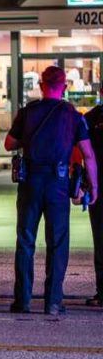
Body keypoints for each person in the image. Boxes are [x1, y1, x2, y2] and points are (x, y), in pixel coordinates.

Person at [4, 65, 98, 316]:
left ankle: (22, 301)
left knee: (25, 240)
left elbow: (8, 143)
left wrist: (33, 140)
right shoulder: (73, 116)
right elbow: (88, 155)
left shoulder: (27, 113)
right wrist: (94, 186)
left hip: (31, 181)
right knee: (57, 243)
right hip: (57, 184)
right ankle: (53, 302)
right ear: (65, 87)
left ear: (41, 86)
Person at [82, 84, 103, 307]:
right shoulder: (90, 118)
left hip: (99, 186)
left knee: (101, 239)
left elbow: (86, 153)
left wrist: (90, 184)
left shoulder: (91, 118)